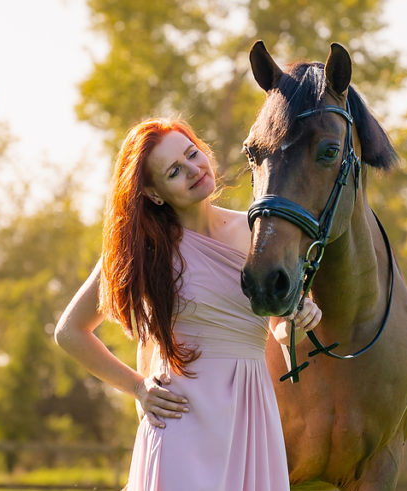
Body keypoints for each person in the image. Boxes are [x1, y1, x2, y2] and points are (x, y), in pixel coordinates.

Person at [54, 118, 322, 491]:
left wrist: (299, 319)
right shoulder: (143, 249)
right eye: (174, 171)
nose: (194, 170)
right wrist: (138, 388)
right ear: (153, 193)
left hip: (252, 416)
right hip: (180, 418)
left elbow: (279, 327)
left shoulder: (260, 233)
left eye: (193, 154)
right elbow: (70, 332)